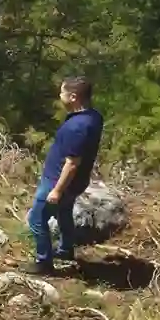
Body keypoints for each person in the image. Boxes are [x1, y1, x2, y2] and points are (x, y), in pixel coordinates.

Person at [23, 77, 104, 275]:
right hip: (77, 182)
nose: (60, 96)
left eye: (62, 93)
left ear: (73, 97)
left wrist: (57, 190)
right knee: (64, 212)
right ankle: (66, 249)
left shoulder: (77, 126)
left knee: (36, 219)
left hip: (58, 182)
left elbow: (72, 162)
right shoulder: (94, 117)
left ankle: (43, 262)